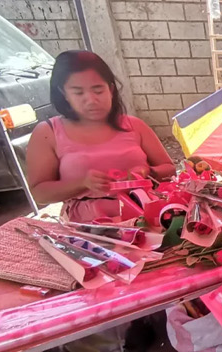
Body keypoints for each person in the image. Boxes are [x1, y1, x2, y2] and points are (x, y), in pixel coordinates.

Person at [26, 51, 175, 223]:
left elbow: (169, 168)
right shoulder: (48, 133)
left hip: (146, 219)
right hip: (88, 229)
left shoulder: (134, 125)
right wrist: (82, 183)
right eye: (78, 93)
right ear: (64, 94)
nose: (91, 100)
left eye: (98, 90)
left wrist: (147, 172)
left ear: (111, 89)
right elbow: (40, 193)